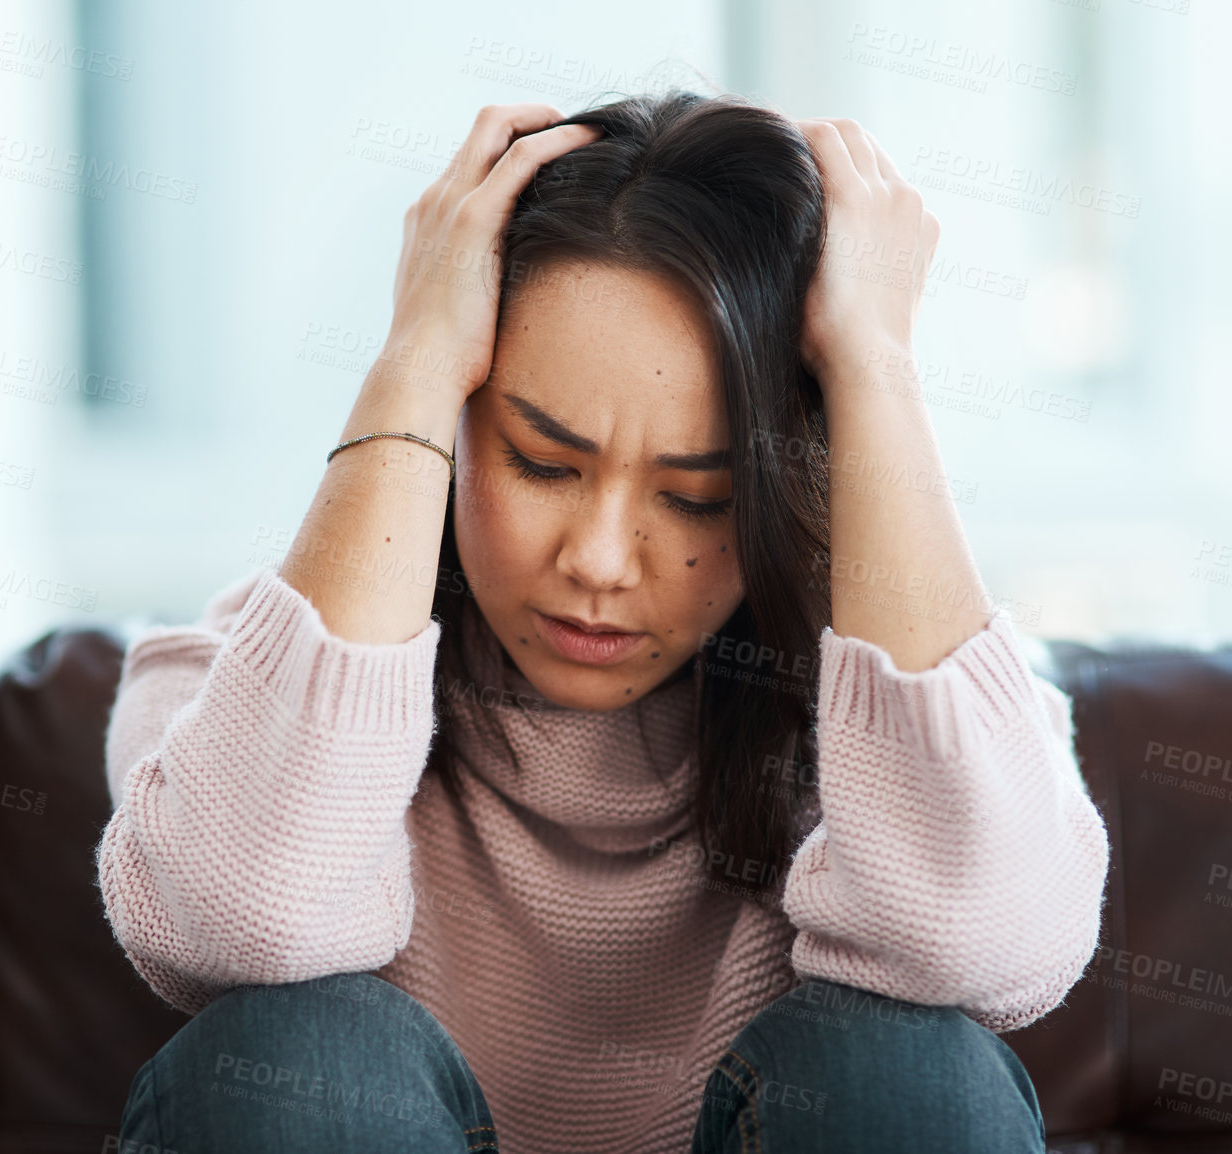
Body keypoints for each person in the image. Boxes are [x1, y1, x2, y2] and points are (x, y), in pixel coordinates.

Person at [95, 90, 1110, 1153]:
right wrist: (413, 355)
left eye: (695, 495)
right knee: (293, 1051)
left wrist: (874, 372)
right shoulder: (229, 692)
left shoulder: (914, 715)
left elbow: (988, 948)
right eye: (539, 462)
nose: (595, 559)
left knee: (910, 1068)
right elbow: (236, 917)